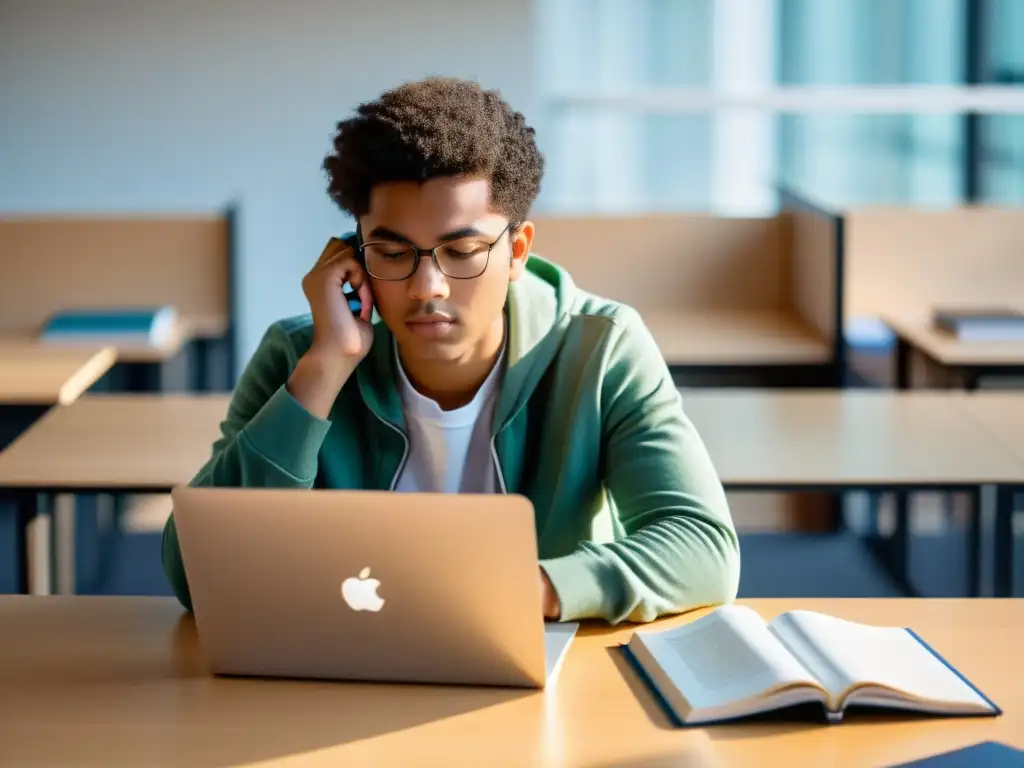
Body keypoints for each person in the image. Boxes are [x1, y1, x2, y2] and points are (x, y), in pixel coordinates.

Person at [162, 76, 739, 624]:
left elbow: (702, 546)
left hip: (537, 671)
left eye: (461, 251)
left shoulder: (601, 347)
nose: (426, 288)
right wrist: (324, 369)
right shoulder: (299, 355)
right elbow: (195, 574)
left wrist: (522, 591)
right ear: (353, 254)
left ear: (517, 251)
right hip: (340, 675)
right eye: (391, 252)